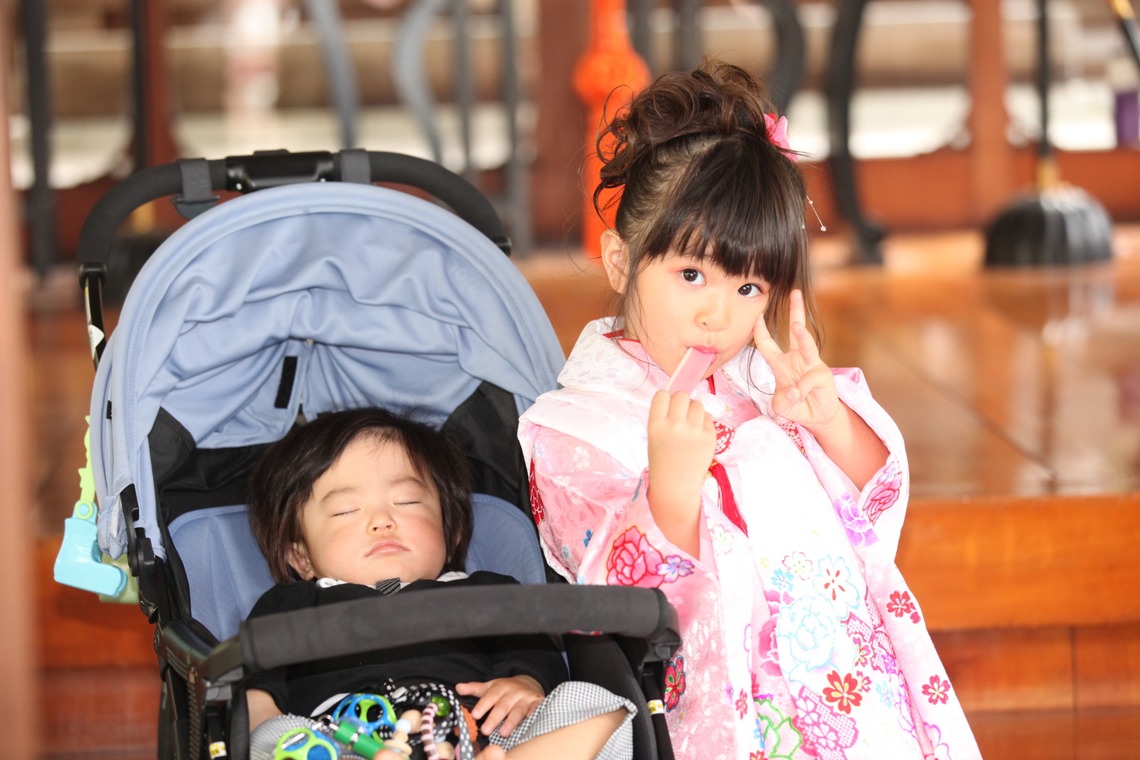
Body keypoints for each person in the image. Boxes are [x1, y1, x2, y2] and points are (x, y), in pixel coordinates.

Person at [518, 61, 981, 759]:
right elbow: (604, 609)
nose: (717, 314)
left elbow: (874, 501)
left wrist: (828, 420)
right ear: (620, 261)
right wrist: (669, 493)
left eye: (749, 287)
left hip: (846, 689)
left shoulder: (769, 383)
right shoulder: (575, 426)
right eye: (691, 275)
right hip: (726, 710)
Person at [244, 407, 634, 760]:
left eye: (407, 501)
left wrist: (524, 680)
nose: (382, 520)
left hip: (476, 734)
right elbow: (258, 673)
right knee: (275, 737)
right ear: (302, 557)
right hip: (345, 739)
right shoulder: (293, 602)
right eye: (346, 509)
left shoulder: (485, 591)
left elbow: (534, 646)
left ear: (452, 530)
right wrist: (260, 712)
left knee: (603, 707)